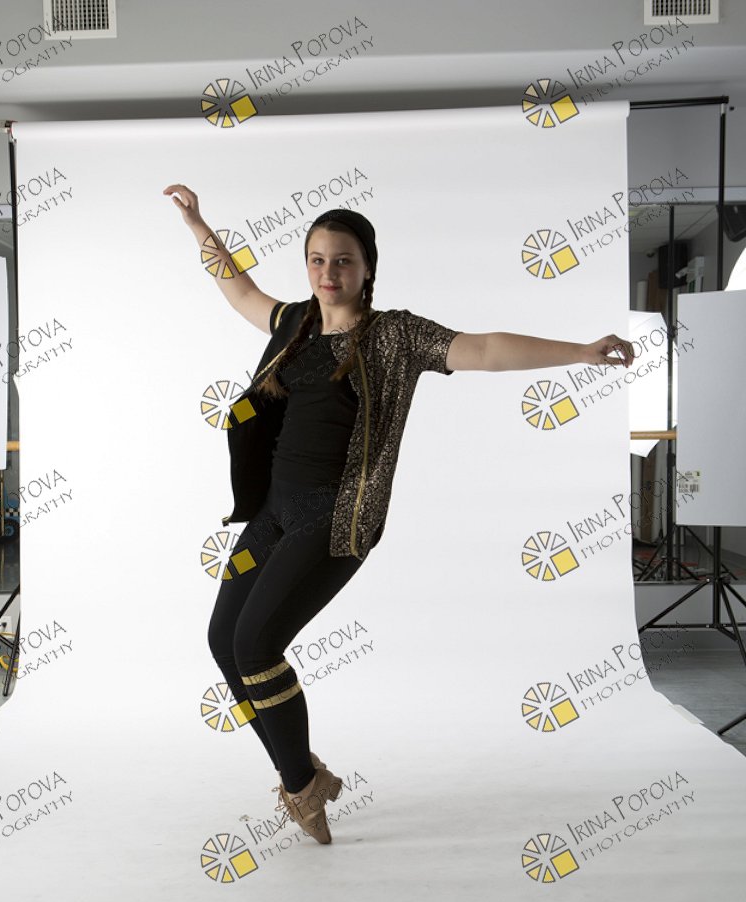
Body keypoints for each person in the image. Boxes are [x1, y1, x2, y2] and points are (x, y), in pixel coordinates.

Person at [165, 183, 635, 846]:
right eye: (318, 260)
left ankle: (300, 787)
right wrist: (198, 225)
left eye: (344, 261)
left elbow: (485, 349)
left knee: (256, 645)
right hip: (273, 511)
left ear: (368, 269)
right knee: (224, 641)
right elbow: (239, 289)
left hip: (334, 518)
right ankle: (302, 776)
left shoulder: (395, 336)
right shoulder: (296, 323)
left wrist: (579, 351)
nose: (329, 273)